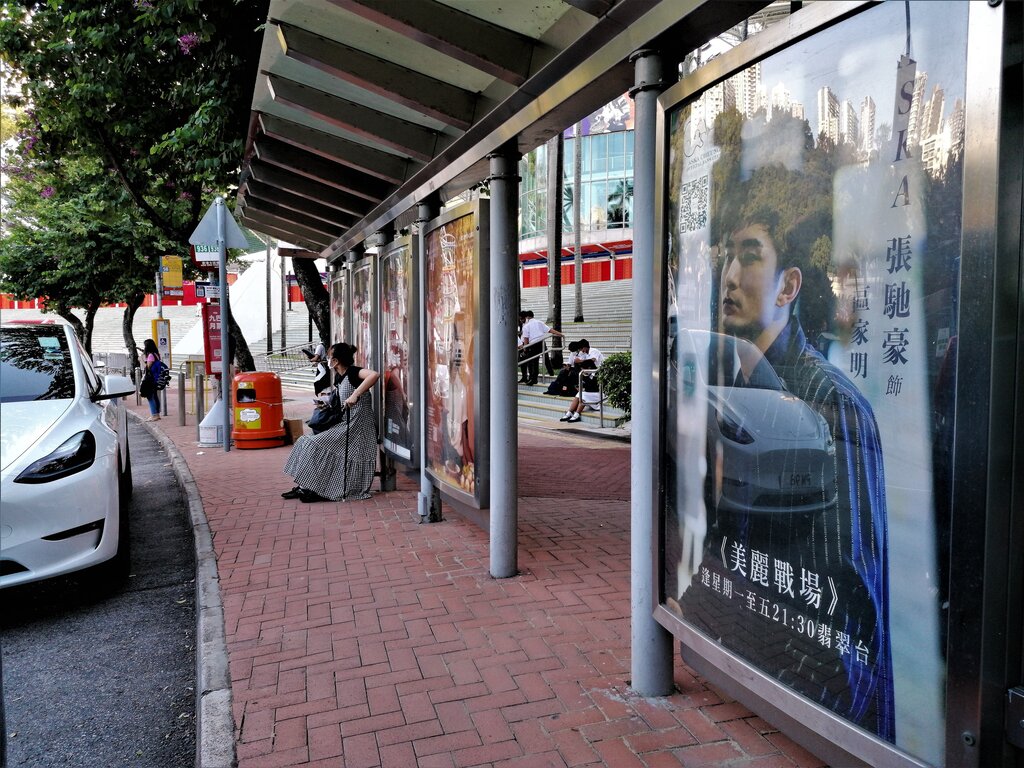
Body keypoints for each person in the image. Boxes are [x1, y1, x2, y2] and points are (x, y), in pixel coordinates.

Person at [679, 200, 894, 739]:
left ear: (788, 286)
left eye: (749, 257)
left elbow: (853, 605)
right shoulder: (730, 382)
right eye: (727, 257)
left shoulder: (831, 402)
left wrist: (813, 709)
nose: (728, 276)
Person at [282, 343, 380, 503]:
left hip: (358, 428)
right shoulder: (340, 378)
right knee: (304, 442)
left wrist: (355, 394)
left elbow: (374, 375)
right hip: (346, 425)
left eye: (329, 357)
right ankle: (307, 486)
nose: (327, 359)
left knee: (310, 444)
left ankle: (312, 488)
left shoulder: (353, 372)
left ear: (336, 360)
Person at [557, 339, 604, 422]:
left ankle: (577, 414)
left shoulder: (594, 351)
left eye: (582, 349)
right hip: (590, 376)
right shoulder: (584, 353)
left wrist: (581, 361)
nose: (582, 351)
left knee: (583, 396)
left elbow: (592, 361)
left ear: (585, 347)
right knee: (578, 395)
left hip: (598, 378)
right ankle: (569, 412)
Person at [518, 310, 563, 385]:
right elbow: (550, 330)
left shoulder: (526, 326)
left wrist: (525, 350)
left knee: (533, 362)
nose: (520, 320)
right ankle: (550, 373)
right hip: (541, 342)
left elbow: (526, 339)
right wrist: (560, 334)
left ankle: (533, 379)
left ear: (526, 317)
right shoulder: (539, 322)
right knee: (545, 358)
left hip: (533, 344)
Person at [141, 338, 162, 422]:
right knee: (155, 396)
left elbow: (147, 367)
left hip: (150, 379)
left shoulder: (150, 355)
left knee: (150, 397)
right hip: (155, 378)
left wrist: (141, 360)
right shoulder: (157, 354)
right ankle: (157, 414)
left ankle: (154, 415)